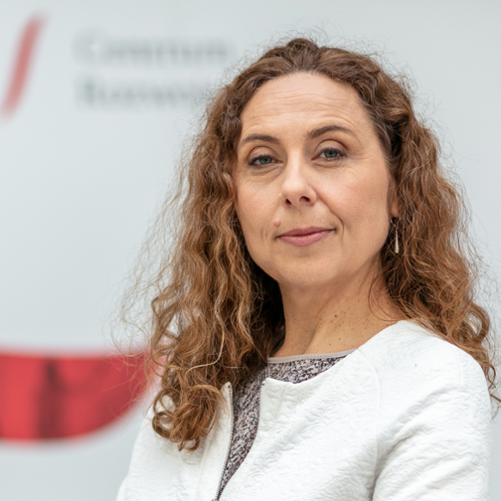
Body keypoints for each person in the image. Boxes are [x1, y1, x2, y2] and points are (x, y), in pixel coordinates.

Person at [116, 38, 496, 501]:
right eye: (263, 159)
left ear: (398, 187)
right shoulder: (196, 384)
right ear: (230, 202)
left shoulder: (431, 380)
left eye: (330, 152)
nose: (294, 186)